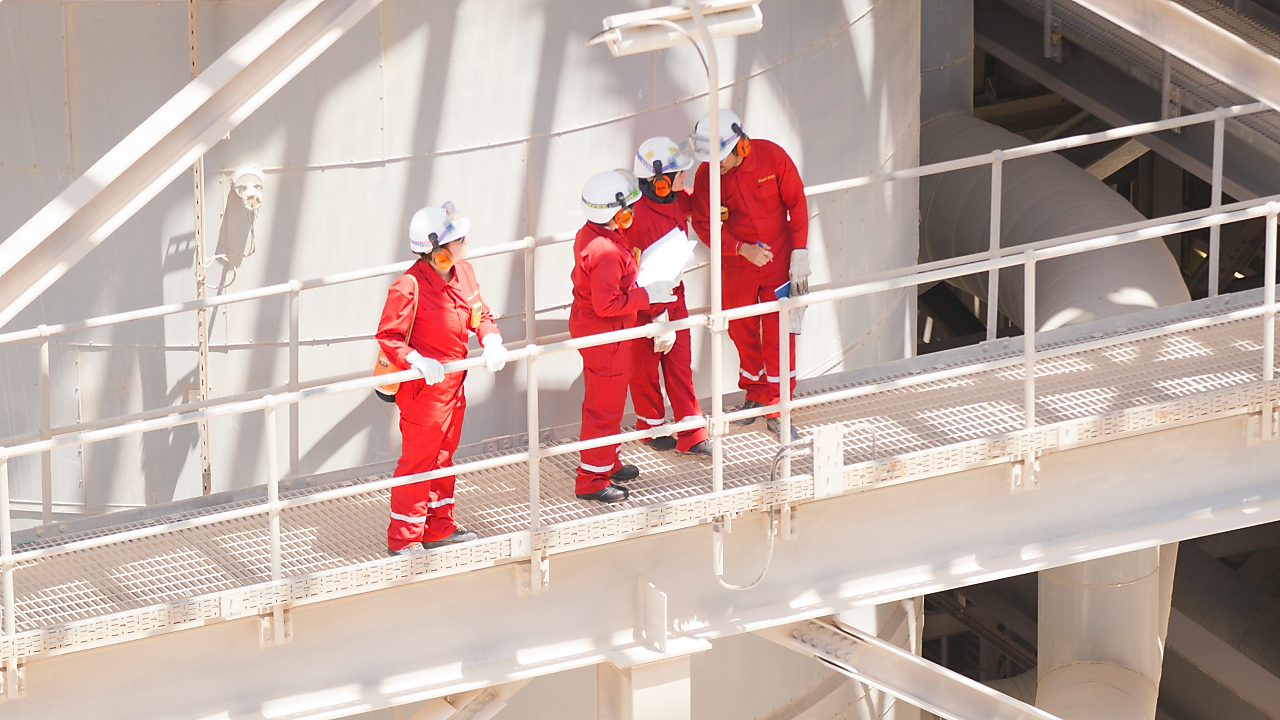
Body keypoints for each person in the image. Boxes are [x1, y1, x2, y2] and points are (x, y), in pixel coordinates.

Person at [375, 202, 509, 556]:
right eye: (459, 239)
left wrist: (491, 337)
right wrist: (415, 359)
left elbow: (480, 313)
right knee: (418, 461)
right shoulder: (408, 287)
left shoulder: (464, 273)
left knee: (443, 457)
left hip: (454, 384)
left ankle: (438, 527)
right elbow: (388, 337)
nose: (465, 241)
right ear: (438, 252)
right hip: (424, 390)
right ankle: (404, 539)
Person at [689, 109, 809, 443]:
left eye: (721, 158)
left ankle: (778, 408)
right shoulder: (708, 175)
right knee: (741, 329)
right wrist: (741, 249)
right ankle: (755, 392)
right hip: (738, 264)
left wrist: (799, 256)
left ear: (741, 146)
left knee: (779, 334)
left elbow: (797, 206)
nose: (716, 166)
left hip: (779, 262)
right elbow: (703, 224)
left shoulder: (773, 158)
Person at [570, 170, 678, 503]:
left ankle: (607, 461)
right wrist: (648, 295)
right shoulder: (605, 252)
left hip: (599, 335)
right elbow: (607, 304)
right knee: (605, 408)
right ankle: (592, 480)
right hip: (608, 338)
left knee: (603, 403)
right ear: (615, 211)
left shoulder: (592, 235)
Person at [627, 137, 711, 458]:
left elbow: (700, 197)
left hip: (675, 299)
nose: (683, 181)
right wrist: (656, 315)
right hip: (644, 308)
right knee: (645, 369)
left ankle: (692, 433)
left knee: (679, 364)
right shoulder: (636, 220)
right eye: (678, 176)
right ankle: (651, 427)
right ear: (659, 184)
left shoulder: (676, 200)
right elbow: (632, 273)